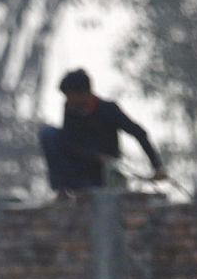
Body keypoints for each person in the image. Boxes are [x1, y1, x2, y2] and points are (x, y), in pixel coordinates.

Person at [38, 69, 166, 194]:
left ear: (83, 93)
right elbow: (68, 142)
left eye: (71, 96)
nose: (69, 101)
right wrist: (93, 155)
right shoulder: (70, 110)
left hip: (103, 173)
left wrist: (157, 166)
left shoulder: (108, 110)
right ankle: (62, 191)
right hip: (79, 167)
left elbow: (139, 133)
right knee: (48, 134)